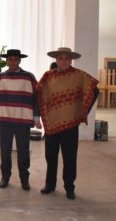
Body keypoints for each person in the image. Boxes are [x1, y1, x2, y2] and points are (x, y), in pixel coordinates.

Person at [37, 47, 98, 200]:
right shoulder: (48, 76)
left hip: (70, 124)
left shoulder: (78, 75)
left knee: (69, 158)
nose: (63, 61)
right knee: (50, 157)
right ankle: (50, 185)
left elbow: (94, 90)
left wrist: (82, 112)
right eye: (60, 58)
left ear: (71, 60)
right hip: (51, 124)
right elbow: (38, 93)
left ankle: (69, 187)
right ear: (56, 60)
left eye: (66, 58)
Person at [0, 49, 41, 191]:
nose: (12, 62)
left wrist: (36, 115)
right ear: (6, 61)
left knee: (23, 150)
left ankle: (24, 179)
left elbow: (37, 96)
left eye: (15, 59)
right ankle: (5, 177)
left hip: (22, 120)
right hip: (5, 119)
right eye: (10, 59)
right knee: (5, 150)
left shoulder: (28, 77)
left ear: (19, 61)